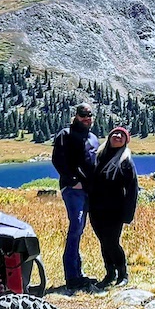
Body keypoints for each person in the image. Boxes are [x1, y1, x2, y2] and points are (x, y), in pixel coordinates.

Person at [50, 104, 99, 291]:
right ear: (76, 116)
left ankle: (78, 274)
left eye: (89, 115)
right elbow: (58, 160)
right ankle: (72, 277)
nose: (87, 118)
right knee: (76, 225)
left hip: (89, 190)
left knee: (80, 229)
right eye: (83, 115)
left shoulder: (93, 137)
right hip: (73, 189)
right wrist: (71, 181)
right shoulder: (66, 134)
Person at [87, 125, 138, 287]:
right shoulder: (99, 156)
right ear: (109, 137)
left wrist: (128, 214)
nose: (117, 136)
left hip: (115, 210)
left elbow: (132, 189)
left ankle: (123, 274)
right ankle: (109, 274)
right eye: (115, 133)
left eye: (122, 135)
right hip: (96, 209)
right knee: (103, 241)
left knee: (112, 242)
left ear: (125, 142)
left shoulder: (125, 161)